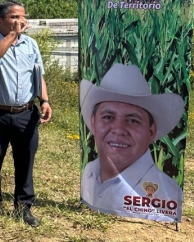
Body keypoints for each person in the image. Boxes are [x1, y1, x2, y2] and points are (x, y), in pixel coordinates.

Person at [0, 0, 52, 226]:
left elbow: (38, 74)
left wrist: (44, 99)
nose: (20, 22)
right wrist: (12, 37)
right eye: (14, 17)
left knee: (25, 160)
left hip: (25, 112)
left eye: (22, 17)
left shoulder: (31, 44)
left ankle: (24, 207)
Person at [79, 63, 185, 222]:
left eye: (133, 121)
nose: (118, 129)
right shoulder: (89, 170)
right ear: (93, 123)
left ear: (151, 131)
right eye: (108, 117)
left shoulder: (166, 195)